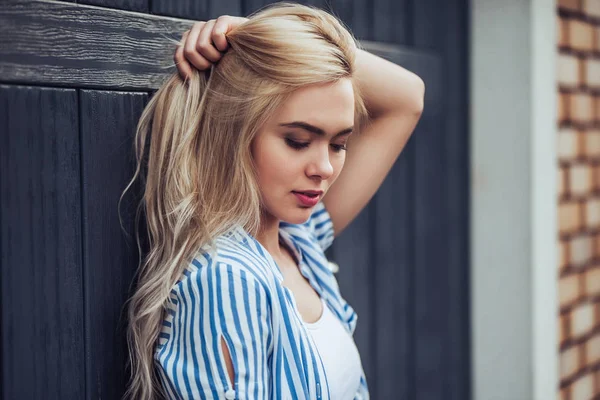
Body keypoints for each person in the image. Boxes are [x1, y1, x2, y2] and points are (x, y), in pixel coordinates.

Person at [122, 2, 424, 399]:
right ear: (235, 134)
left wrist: (258, 37)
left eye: (339, 144)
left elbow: (408, 97)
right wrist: (261, 47)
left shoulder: (300, 242)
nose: (325, 168)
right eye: (298, 141)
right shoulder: (227, 282)